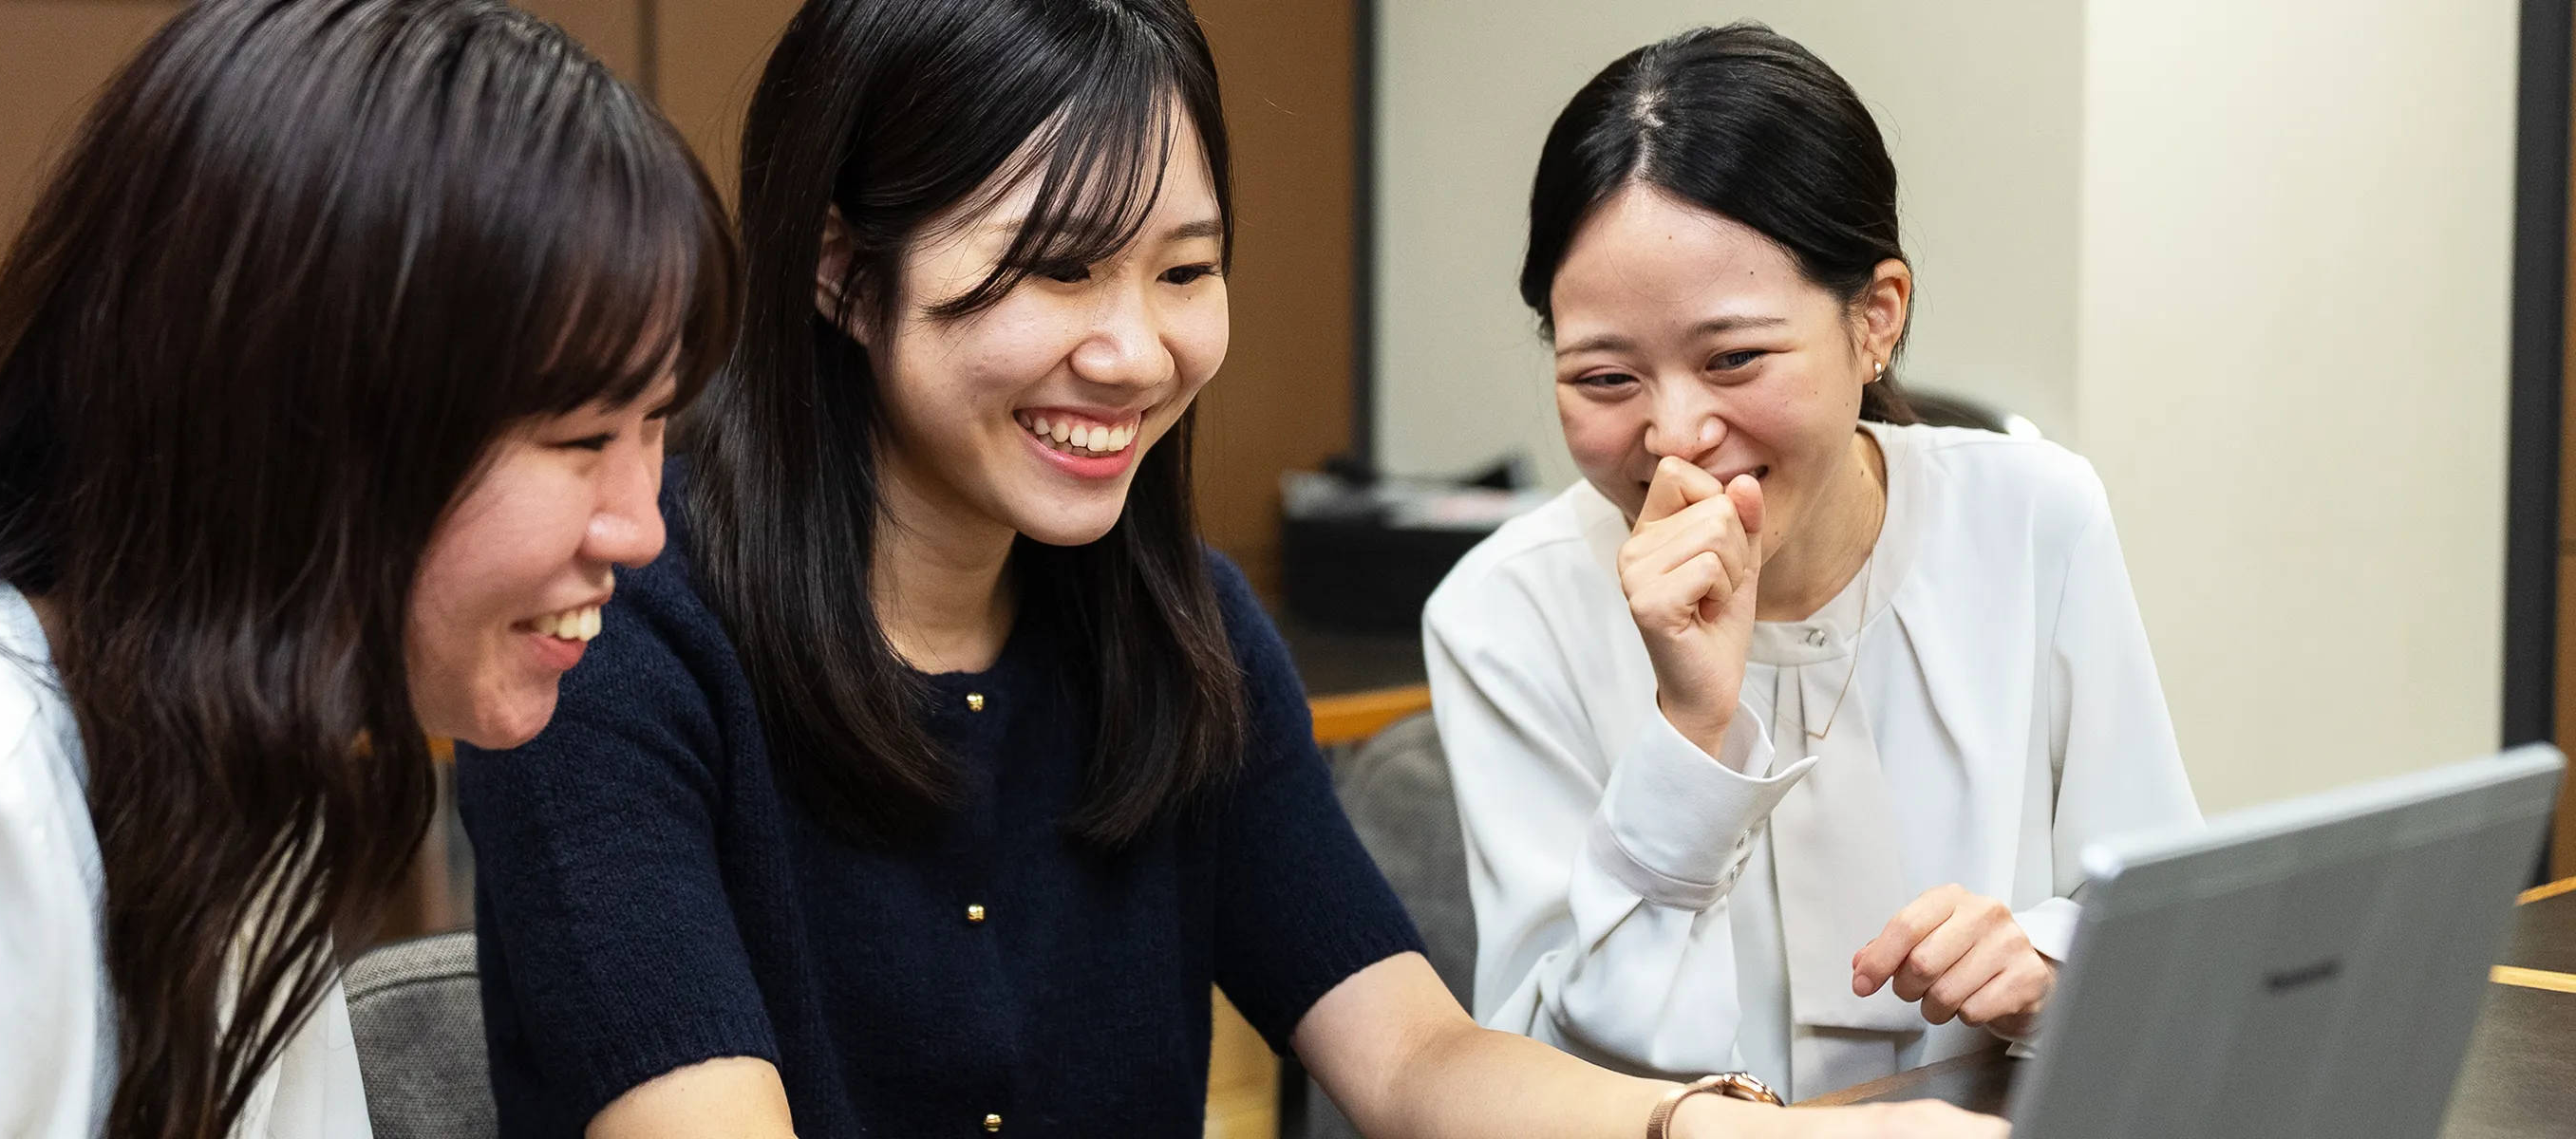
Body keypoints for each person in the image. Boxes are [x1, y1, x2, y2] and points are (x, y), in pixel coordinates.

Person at [461, 2, 2003, 1137]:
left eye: (1186, 270)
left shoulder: (1178, 630)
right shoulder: (615, 643)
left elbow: (1407, 1061)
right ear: (845, 271)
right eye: (1059, 267)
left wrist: (1735, 1130)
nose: (1136, 350)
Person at [0, 1, 735, 1135]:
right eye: (580, 442)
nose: (641, 528)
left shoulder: (233, 800)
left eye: (658, 427)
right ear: (306, 423)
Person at [1424, 23, 2204, 1103]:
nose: (1676, 434)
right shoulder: (1506, 613)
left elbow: (2173, 932)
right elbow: (1550, 1075)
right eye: (1606, 379)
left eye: (1734, 358)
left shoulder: (2033, 517)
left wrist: (2051, 963)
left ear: (1875, 318)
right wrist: (1690, 733)